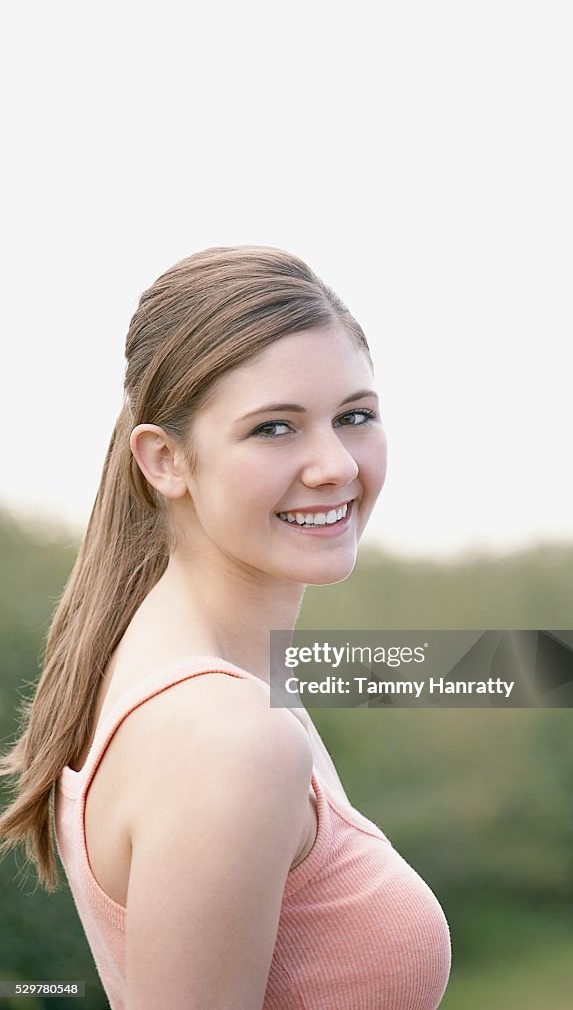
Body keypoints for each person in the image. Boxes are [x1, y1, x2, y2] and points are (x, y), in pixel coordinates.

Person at [0, 246, 452, 1009]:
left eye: (355, 416)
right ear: (166, 459)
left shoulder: (206, 676)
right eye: (275, 428)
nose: (335, 465)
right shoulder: (228, 736)